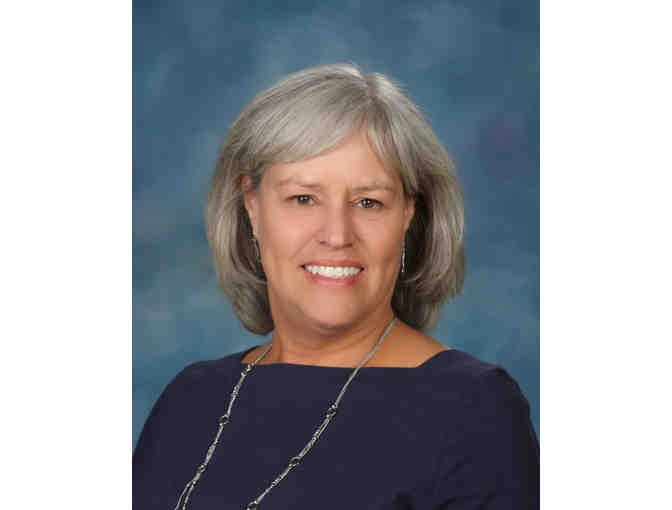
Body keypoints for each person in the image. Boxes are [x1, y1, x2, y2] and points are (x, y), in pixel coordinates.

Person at [133, 63, 540, 509]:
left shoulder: (474, 410)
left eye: (368, 202)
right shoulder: (190, 399)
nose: (337, 234)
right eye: (303, 199)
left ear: (407, 214)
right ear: (252, 205)